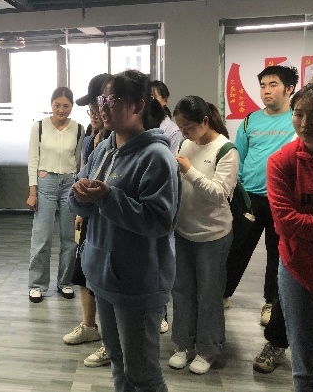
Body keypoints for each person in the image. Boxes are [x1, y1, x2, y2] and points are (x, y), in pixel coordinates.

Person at [69, 69, 180, 392]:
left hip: (138, 282)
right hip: (103, 276)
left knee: (142, 373)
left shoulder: (156, 156)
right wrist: (78, 195)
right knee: (118, 361)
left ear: (138, 106)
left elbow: (159, 221)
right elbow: (81, 203)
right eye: (102, 99)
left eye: (113, 99)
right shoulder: (102, 149)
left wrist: (107, 197)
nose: (103, 107)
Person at [253, 66, 313, 392]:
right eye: (299, 114)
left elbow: (299, 221)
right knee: (306, 369)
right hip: (300, 272)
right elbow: (286, 223)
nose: (305, 123)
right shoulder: (283, 161)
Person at [223, 65, 299, 327]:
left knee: (276, 253)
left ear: (289, 89)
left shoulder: (296, 119)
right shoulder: (250, 120)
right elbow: (239, 157)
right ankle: (223, 293)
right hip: (251, 198)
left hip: (283, 199)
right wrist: (240, 191)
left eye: (273, 85)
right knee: (238, 247)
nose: (266, 91)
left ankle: (271, 303)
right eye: (263, 85)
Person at [168, 96, 238, 374]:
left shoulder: (226, 149)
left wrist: (189, 171)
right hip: (183, 230)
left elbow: (221, 194)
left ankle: (208, 349)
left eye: (188, 127)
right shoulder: (185, 144)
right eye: (180, 128)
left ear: (205, 121)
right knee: (182, 290)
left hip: (213, 235)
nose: (184, 133)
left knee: (209, 294)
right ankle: (183, 344)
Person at [62, 74, 112, 367]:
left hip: (111, 223)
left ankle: (111, 341)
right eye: (91, 108)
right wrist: (80, 211)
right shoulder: (92, 140)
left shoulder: (123, 143)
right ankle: (89, 326)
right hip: (91, 217)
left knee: (107, 280)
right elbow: (82, 178)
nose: (94, 113)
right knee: (84, 271)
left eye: (98, 106)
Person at [27, 87, 84, 303]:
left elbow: (79, 162)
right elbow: (33, 160)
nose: (61, 109)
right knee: (42, 236)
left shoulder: (79, 129)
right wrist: (32, 192)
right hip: (45, 181)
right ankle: (37, 285)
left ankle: (65, 282)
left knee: (69, 237)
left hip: (70, 183)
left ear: (71, 107)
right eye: (57, 105)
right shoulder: (40, 126)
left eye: (66, 106)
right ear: (51, 105)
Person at [151, 79, 182, 333]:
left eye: (155, 96)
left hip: (164, 199)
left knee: (163, 258)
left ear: (165, 100)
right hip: (145, 199)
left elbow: (170, 166)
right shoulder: (141, 125)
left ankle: (162, 313)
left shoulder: (171, 130)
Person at [152, 80, 182, 153]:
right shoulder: (139, 126)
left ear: (165, 101)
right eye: (147, 97)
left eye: (153, 97)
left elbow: (172, 159)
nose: (149, 101)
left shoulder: (173, 131)